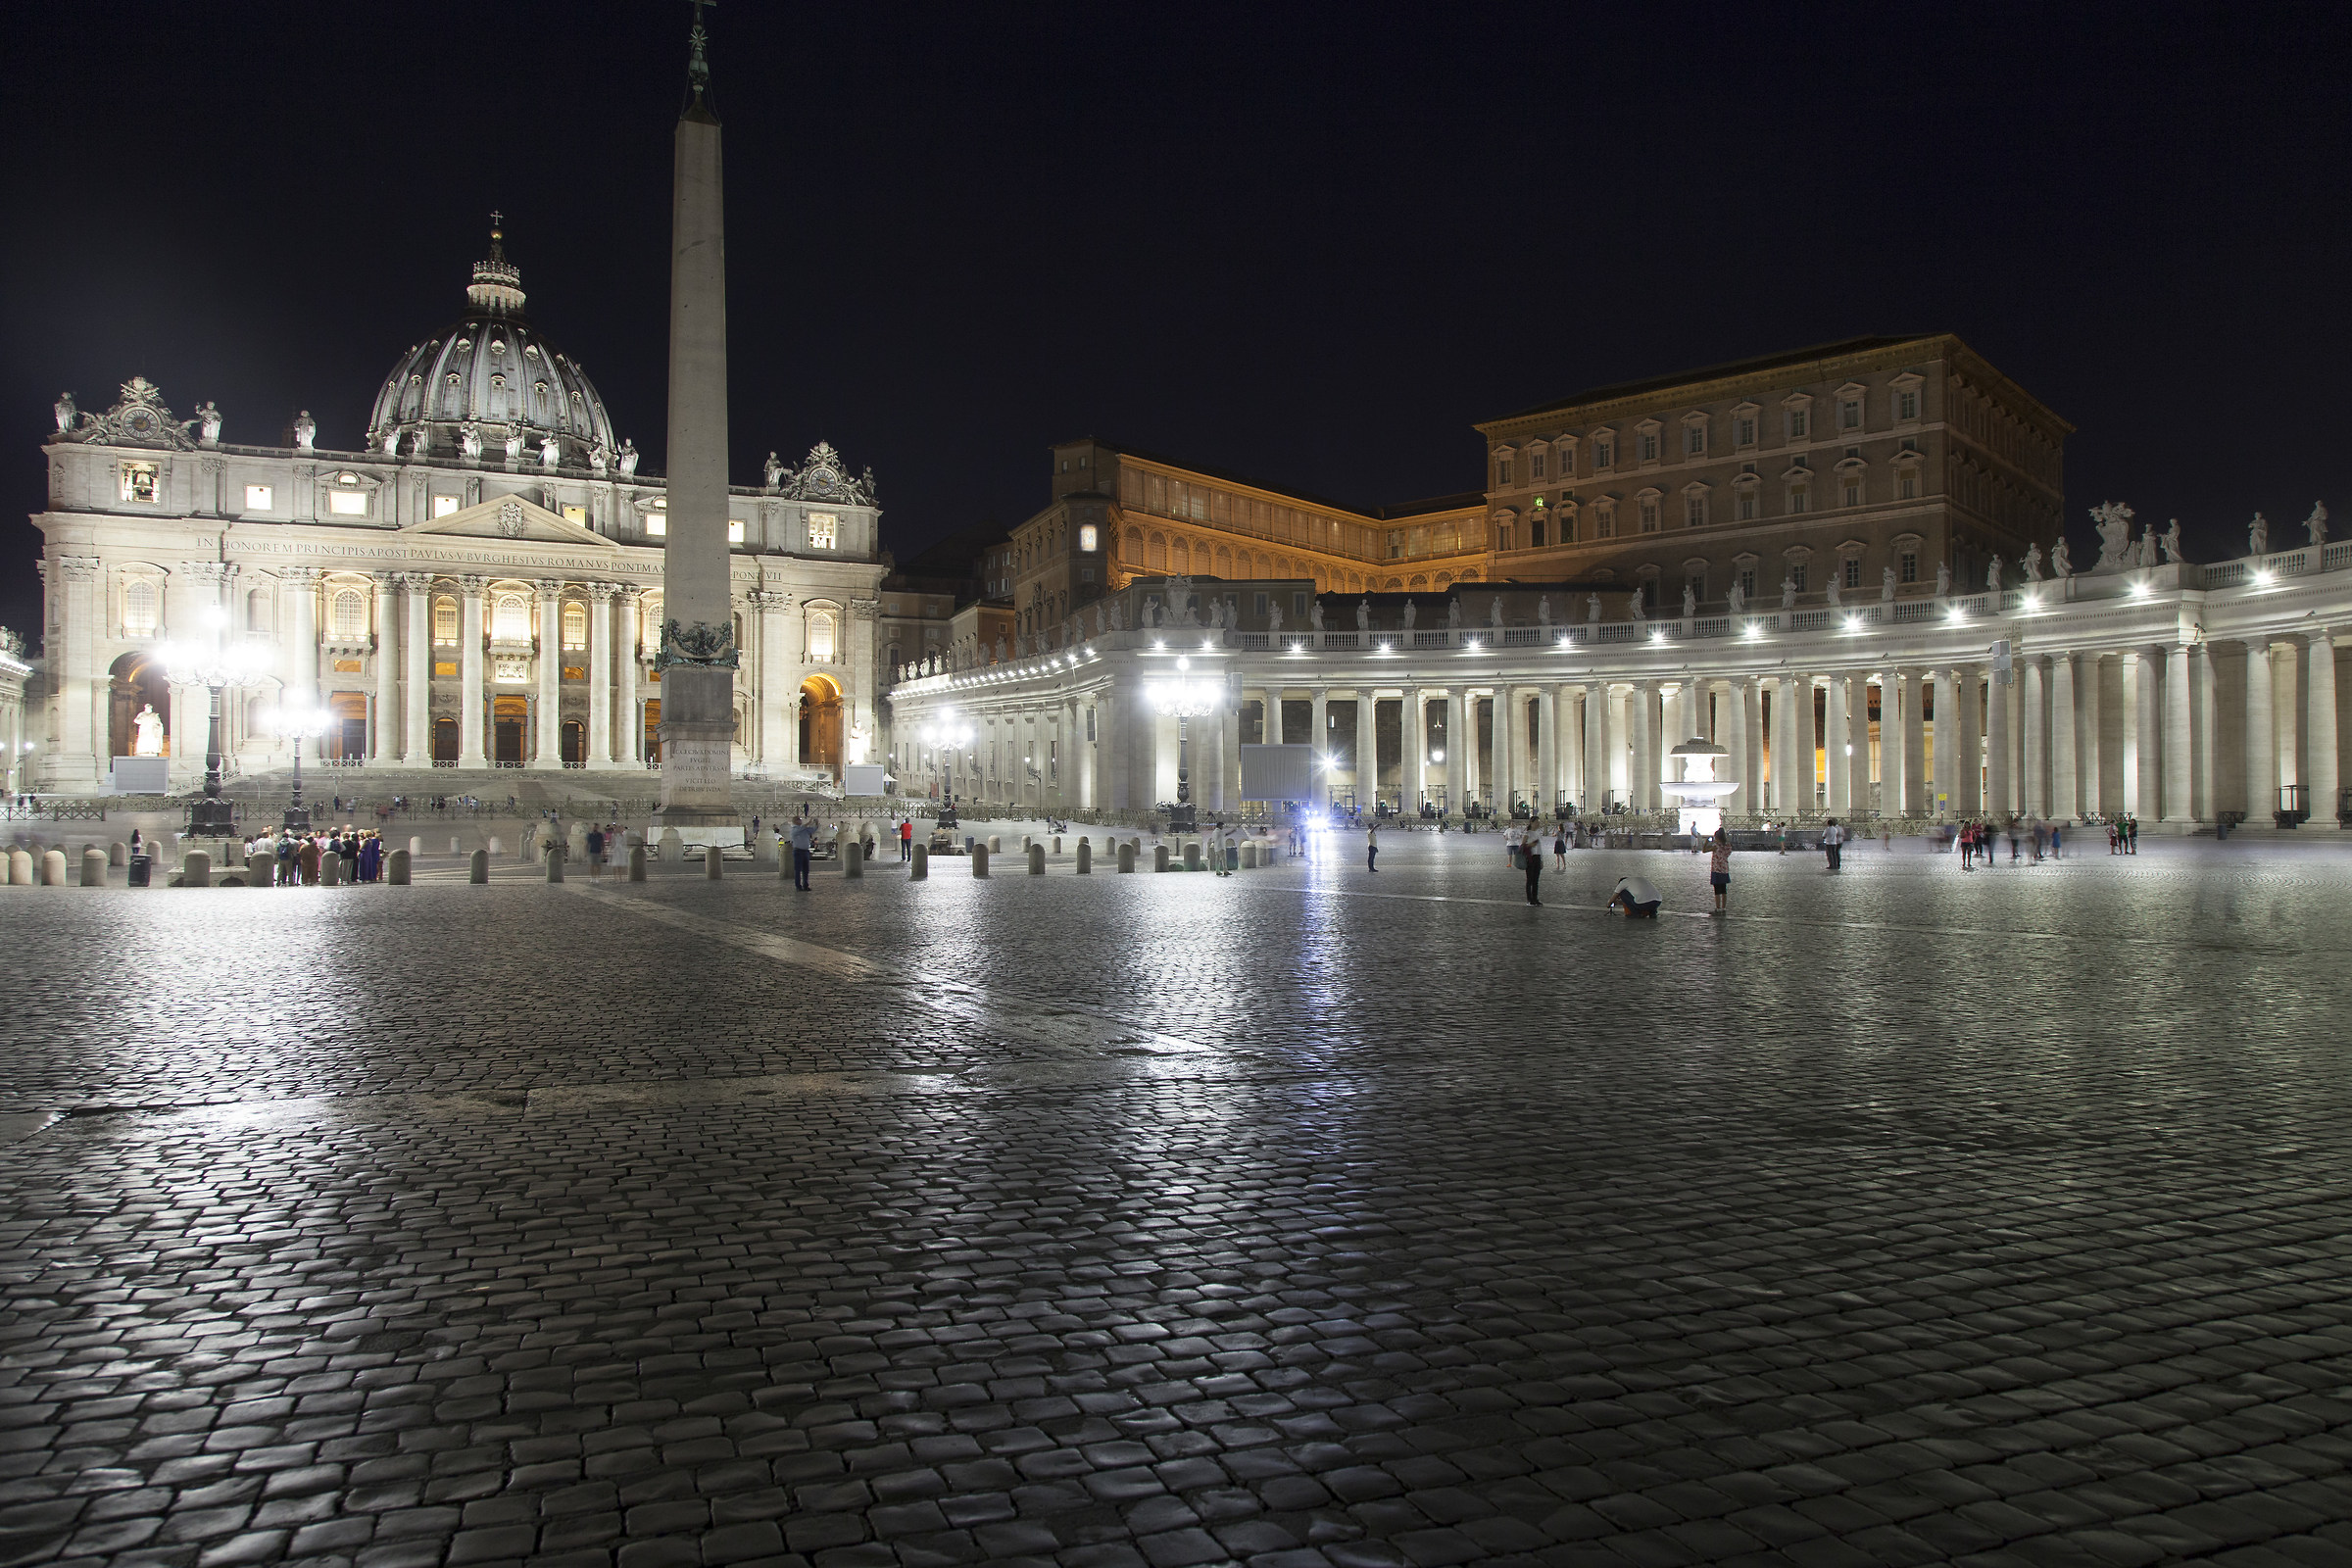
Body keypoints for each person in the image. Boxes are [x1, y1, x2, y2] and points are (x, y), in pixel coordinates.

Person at [1708, 827, 1732, 911]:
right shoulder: (1728, 845)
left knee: (1717, 890)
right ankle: (1724, 907)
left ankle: (1718, 907)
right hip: (1724, 869)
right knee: (1723, 889)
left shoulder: (1715, 846)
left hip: (1716, 869)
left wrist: (1707, 842)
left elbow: (1704, 850)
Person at [789, 815, 815, 890]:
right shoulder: (794, 829)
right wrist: (808, 823)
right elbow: (800, 829)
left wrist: (816, 824)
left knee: (806, 870)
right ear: (795, 821)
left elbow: (812, 830)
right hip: (798, 851)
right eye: (799, 819)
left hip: (805, 850)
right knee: (798, 870)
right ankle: (798, 886)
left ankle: (805, 885)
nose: (800, 821)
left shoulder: (804, 829)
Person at [1522, 830, 1543, 905]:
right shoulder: (1527, 833)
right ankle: (1529, 899)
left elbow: (1540, 847)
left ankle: (1535, 898)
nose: (1538, 824)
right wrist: (1530, 845)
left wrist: (1541, 860)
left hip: (1537, 857)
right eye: (1536, 822)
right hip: (1530, 858)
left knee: (1536, 880)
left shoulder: (1538, 833)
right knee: (1530, 879)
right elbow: (1522, 846)